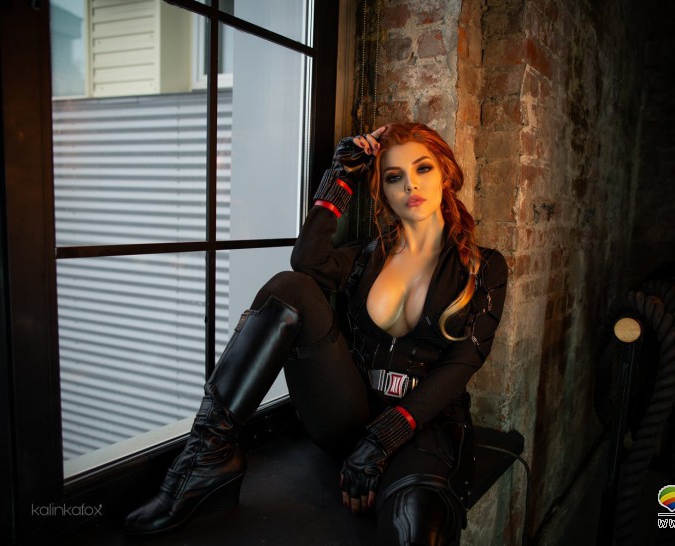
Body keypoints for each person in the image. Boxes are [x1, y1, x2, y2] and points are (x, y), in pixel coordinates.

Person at [123, 123, 508, 545]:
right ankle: (206, 458)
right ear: (382, 190)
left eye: (423, 169)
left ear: (446, 174)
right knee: (290, 288)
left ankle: (395, 473)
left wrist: (383, 440)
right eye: (394, 176)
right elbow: (306, 260)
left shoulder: (483, 266)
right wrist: (340, 176)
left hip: (422, 430)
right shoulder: (364, 257)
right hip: (348, 415)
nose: (410, 185)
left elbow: (462, 363)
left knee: (416, 527)